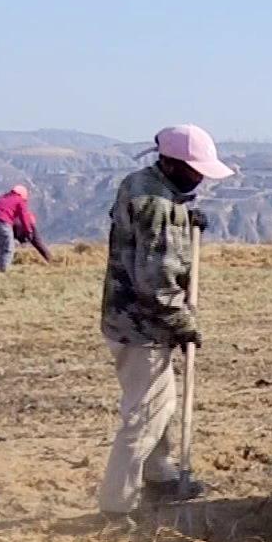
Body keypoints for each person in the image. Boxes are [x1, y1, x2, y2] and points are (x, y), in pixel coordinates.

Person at [97, 124, 234, 516]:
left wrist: (185, 217)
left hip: (124, 318)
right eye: (195, 170)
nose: (201, 177)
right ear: (172, 164)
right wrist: (183, 323)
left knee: (161, 403)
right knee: (145, 414)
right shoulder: (159, 206)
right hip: (143, 326)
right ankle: (116, 505)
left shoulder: (138, 183)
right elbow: (156, 283)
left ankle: (158, 476)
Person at [0, 185, 53, 271]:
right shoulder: (19, 201)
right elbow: (24, 216)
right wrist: (28, 231)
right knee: (8, 248)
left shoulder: (2, 198)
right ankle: (3, 269)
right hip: (3, 222)